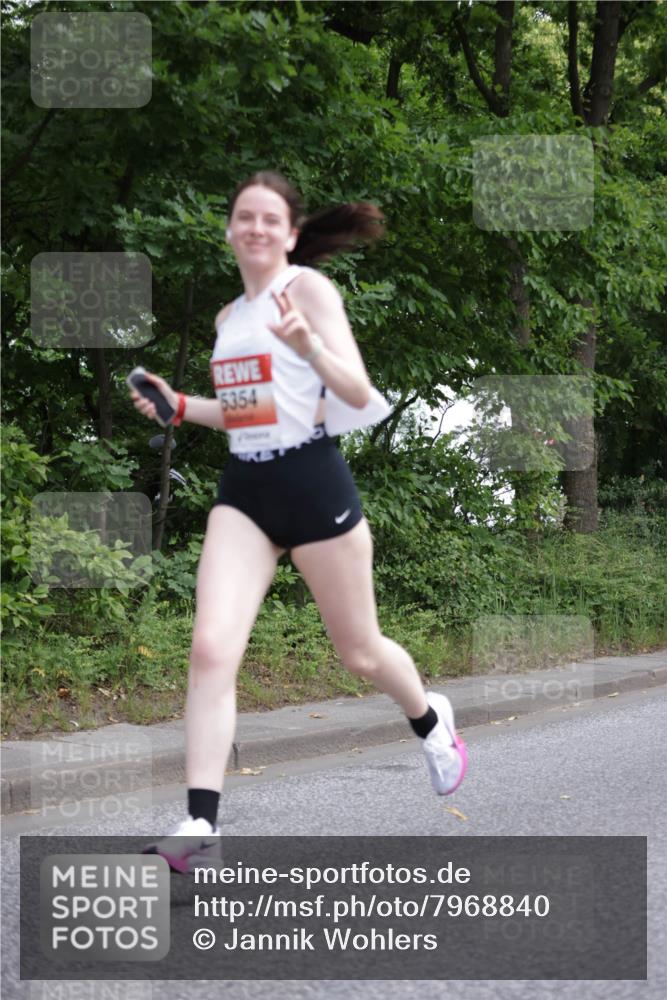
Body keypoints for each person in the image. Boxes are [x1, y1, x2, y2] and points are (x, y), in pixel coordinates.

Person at [130, 170, 467, 872]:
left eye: (269, 218)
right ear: (230, 230)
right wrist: (179, 405)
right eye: (243, 216)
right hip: (246, 490)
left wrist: (308, 343)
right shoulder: (228, 318)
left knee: (360, 652)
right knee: (210, 648)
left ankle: (431, 719)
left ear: (288, 234)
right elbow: (248, 413)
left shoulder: (308, 291)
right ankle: (200, 821)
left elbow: (358, 393)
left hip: (313, 481)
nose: (255, 227)